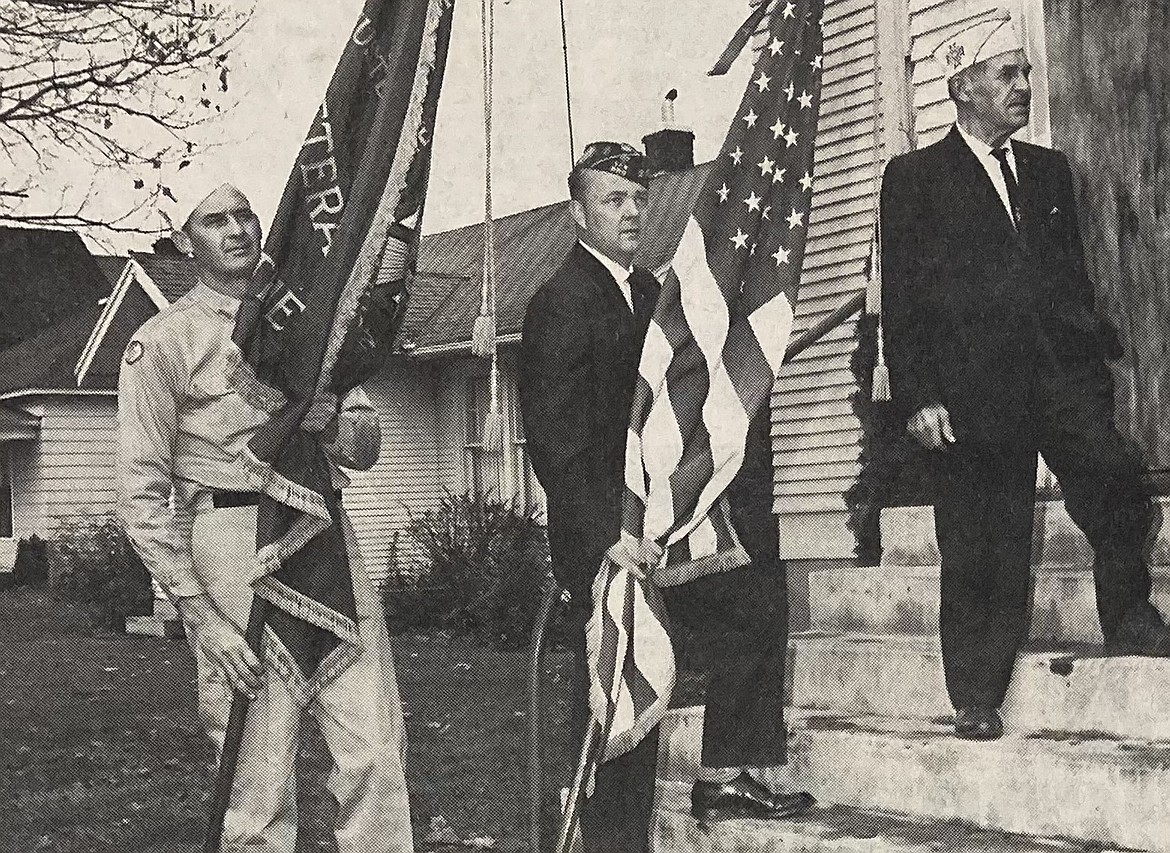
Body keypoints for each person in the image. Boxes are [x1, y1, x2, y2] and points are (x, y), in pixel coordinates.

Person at [880, 10, 1170, 742]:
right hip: (973, 393)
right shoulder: (915, 178)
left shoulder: (1048, 170)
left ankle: (1130, 614)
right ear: (963, 87)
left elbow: (1068, 278)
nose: (1024, 85)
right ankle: (976, 691)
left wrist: (1089, 368)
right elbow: (904, 297)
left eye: (1025, 71)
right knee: (985, 540)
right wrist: (918, 395)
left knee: (1114, 479)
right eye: (1007, 74)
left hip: (1058, 377)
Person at [519, 142, 814, 853]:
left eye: (635, 199)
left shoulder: (655, 297)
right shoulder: (559, 302)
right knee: (623, 703)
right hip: (608, 544)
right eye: (611, 200)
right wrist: (602, 535)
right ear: (577, 212)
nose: (628, 211)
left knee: (753, 601)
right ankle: (613, 844)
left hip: (668, 527)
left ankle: (723, 771)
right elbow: (555, 442)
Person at [117, 173, 413, 853]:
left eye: (246, 214)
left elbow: (366, 446)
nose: (238, 230)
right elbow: (140, 496)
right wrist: (200, 616)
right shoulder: (165, 340)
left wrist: (331, 417)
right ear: (188, 240)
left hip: (319, 530)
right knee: (256, 770)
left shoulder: (311, 325)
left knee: (374, 748)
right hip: (230, 539)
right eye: (216, 220)